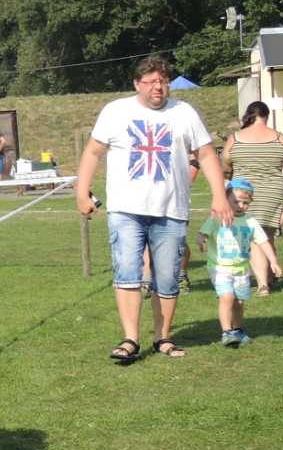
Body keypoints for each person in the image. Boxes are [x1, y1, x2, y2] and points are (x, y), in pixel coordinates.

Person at [76, 55, 229, 364]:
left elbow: (207, 154)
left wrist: (219, 195)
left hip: (170, 209)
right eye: (151, 81)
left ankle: (163, 337)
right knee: (128, 272)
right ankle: (131, 338)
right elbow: (93, 151)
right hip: (125, 210)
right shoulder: (116, 111)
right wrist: (82, 191)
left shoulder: (184, 113)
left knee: (168, 278)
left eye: (162, 81)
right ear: (137, 84)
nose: (158, 87)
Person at [223, 101, 283, 294]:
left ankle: (262, 284)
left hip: (243, 193)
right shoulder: (281, 139)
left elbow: (225, 165)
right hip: (272, 191)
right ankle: (270, 274)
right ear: (266, 116)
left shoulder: (235, 138)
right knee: (265, 234)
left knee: (253, 237)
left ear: (250, 115)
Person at [196, 178, 278, 347]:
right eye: (236, 201)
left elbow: (263, 242)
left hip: (241, 268)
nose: (240, 205)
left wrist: (273, 262)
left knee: (239, 302)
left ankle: (239, 330)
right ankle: (227, 332)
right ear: (226, 199)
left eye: (245, 202)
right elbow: (202, 232)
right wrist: (201, 240)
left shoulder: (251, 221)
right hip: (219, 267)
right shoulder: (217, 218)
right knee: (227, 297)